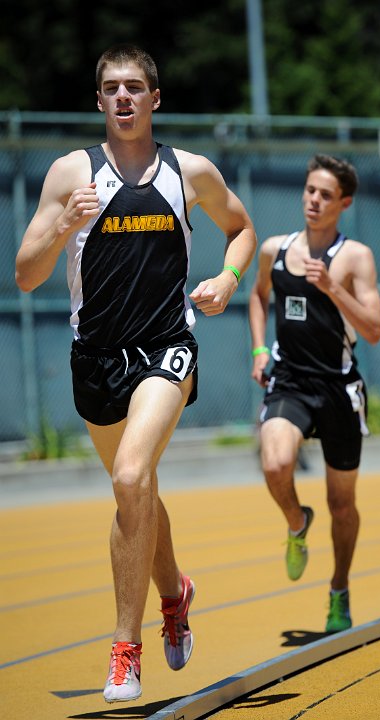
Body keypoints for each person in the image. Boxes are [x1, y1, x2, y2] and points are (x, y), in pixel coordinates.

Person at [15, 44, 257, 703]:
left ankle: (126, 650)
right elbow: (26, 275)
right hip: (94, 359)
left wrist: (227, 278)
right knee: (137, 490)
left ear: (155, 99)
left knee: (129, 477)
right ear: (98, 101)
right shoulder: (70, 174)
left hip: (166, 349)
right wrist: (65, 222)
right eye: (112, 88)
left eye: (135, 87)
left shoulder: (189, 171)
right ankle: (175, 592)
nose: (123, 97)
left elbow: (242, 230)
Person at [249, 154, 380, 633]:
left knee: (342, 505)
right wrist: (261, 349)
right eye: (309, 190)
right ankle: (295, 522)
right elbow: (259, 295)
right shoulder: (275, 249)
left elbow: (374, 330)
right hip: (290, 381)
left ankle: (339, 589)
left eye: (325, 194)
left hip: (339, 389)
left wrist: (332, 289)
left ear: (344, 202)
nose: (314, 200)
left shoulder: (356, 257)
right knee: (275, 463)